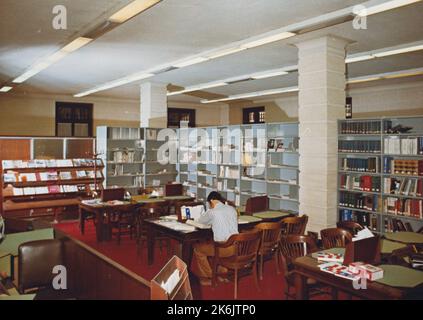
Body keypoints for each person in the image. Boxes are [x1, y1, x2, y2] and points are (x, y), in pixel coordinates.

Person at [193, 191, 239, 286]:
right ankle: (222, 275)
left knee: (198, 249)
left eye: (209, 204)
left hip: (223, 248)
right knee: (218, 243)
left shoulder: (212, 212)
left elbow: (201, 221)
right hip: (236, 247)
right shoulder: (232, 209)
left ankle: (208, 277)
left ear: (212, 201)